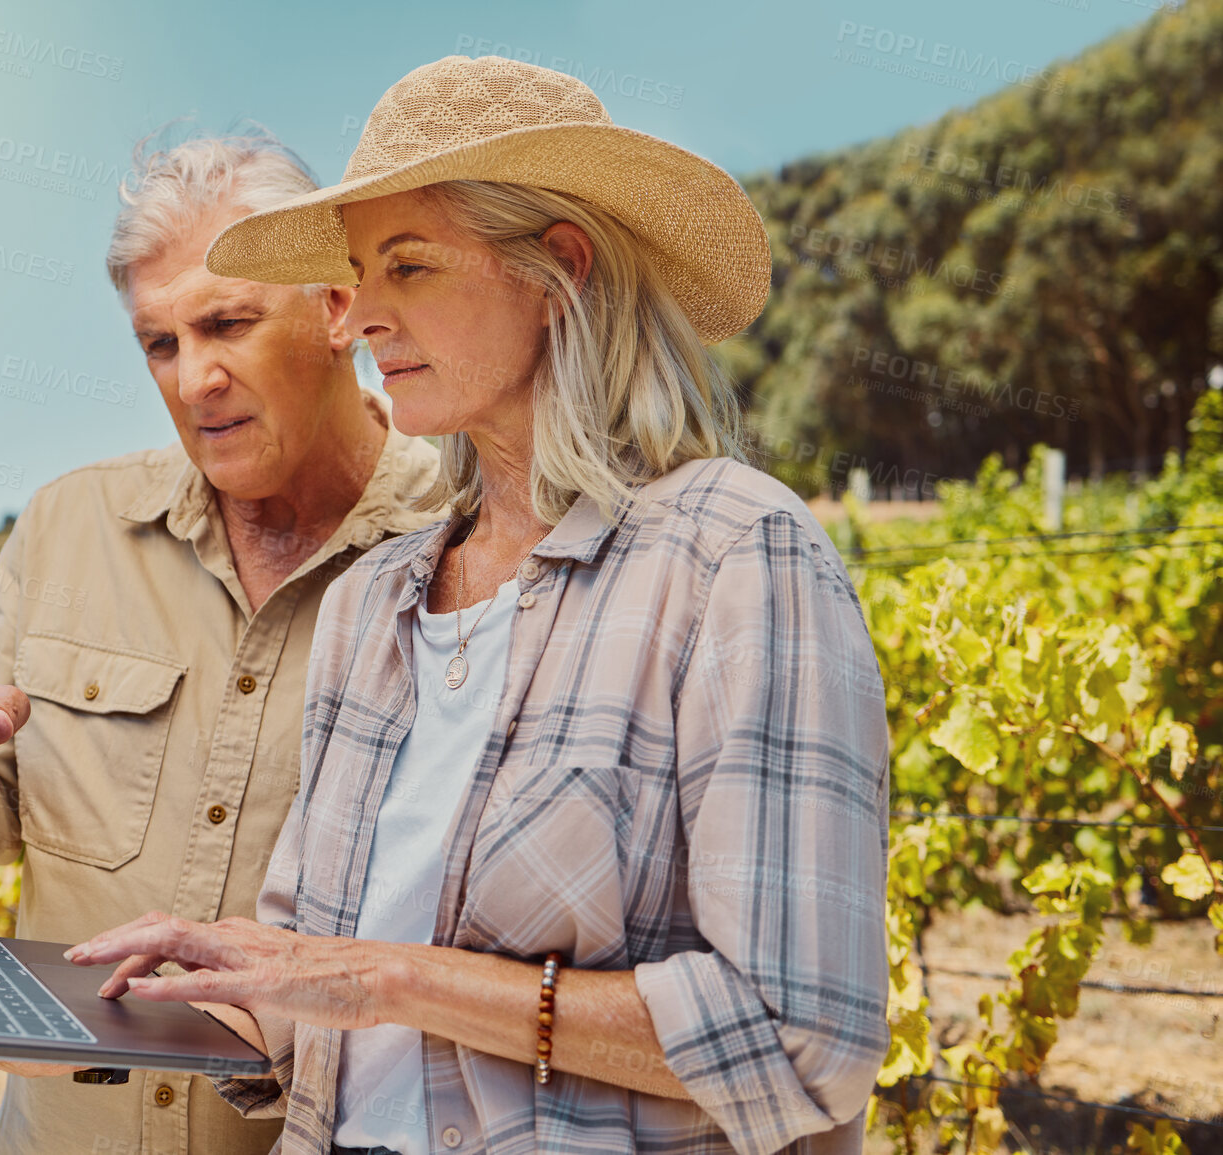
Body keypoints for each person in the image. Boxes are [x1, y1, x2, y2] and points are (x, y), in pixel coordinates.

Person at [66, 56, 893, 1155]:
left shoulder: (735, 556)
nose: (362, 318)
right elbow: (308, 986)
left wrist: (391, 978)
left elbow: (801, 1036)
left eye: (407, 266)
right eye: (361, 275)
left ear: (559, 272)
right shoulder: (374, 605)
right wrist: (134, 1001)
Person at [0, 133, 443, 1155]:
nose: (194, 380)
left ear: (337, 308)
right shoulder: (67, 529)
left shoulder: (467, 548)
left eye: (228, 324)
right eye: (160, 345)